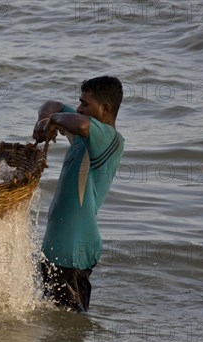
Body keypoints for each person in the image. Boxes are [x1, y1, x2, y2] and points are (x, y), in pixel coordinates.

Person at [32, 76, 124, 312]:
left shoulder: (108, 137)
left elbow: (79, 124)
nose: (80, 109)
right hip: (59, 249)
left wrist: (53, 122)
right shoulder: (83, 137)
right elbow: (53, 104)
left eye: (85, 105)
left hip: (74, 251)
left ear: (105, 109)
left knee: (72, 329)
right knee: (58, 326)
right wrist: (45, 119)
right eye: (80, 104)